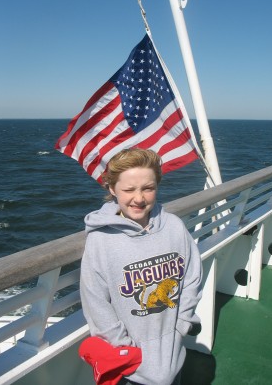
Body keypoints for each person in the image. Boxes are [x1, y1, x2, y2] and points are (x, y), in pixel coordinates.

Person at [80, 148, 203, 385]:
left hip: (173, 354)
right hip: (129, 367)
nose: (139, 198)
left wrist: (182, 326)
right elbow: (95, 301)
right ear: (111, 189)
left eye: (148, 188)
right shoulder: (101, 240)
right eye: (128, 190)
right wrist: (125, 348)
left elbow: (191, 277)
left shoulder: (174, 227)